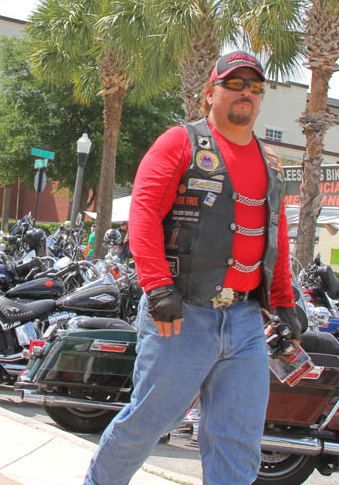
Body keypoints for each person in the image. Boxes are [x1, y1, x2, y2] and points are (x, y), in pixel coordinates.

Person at [85, 51, 300, 485]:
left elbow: (274, 239)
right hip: (182, 318)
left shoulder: (271, 162)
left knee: (238, 441)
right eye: (234, 84)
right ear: (210, 93)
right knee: (148, 423)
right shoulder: (180, 142)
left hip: (245, 322)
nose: (246, 93)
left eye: (255, 87)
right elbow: (143, 215)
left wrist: (284, 301)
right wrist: (159, 288)